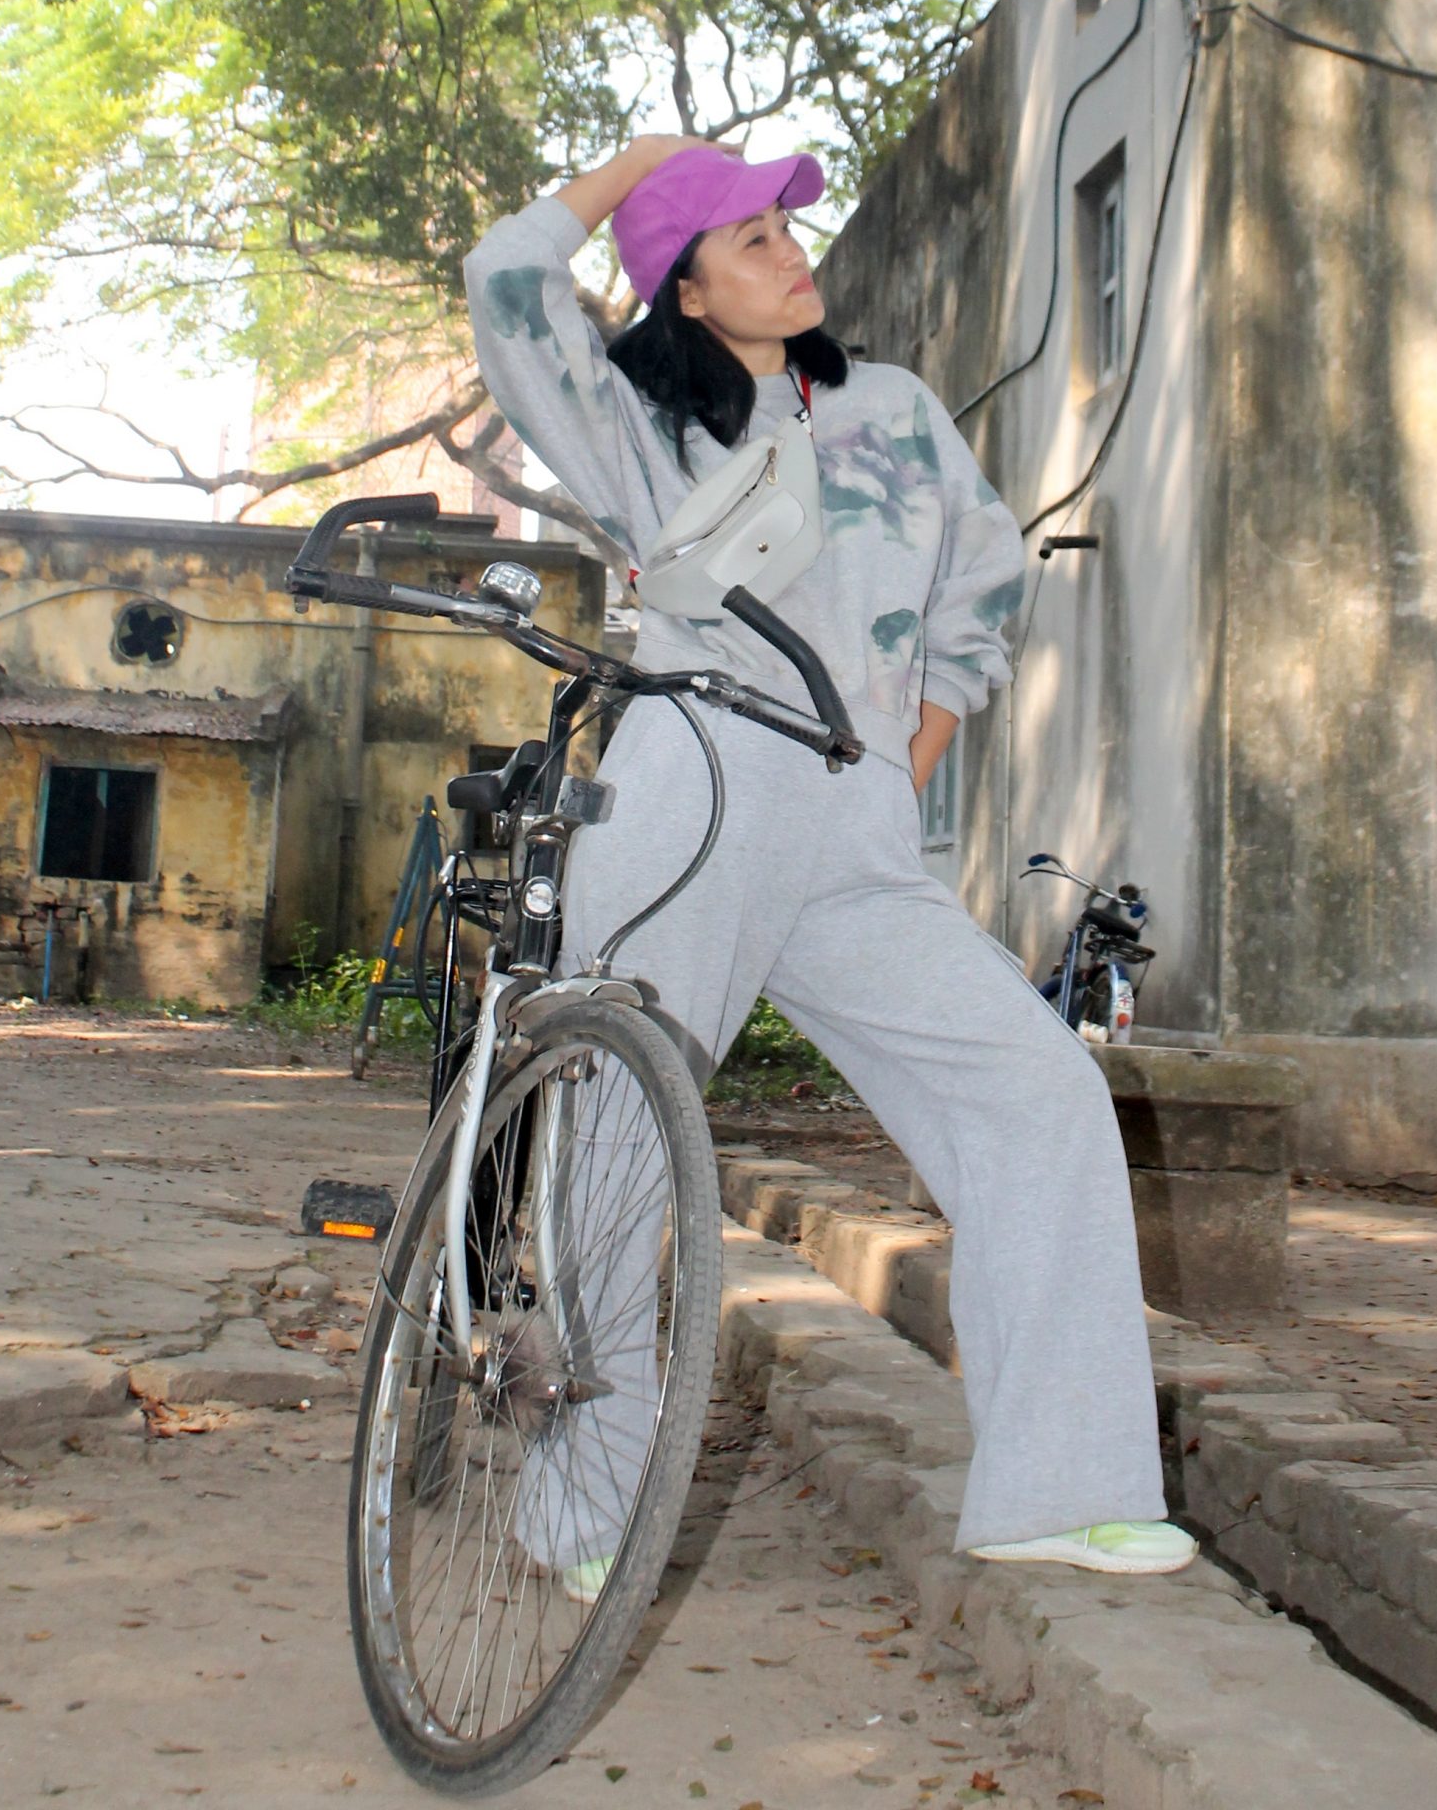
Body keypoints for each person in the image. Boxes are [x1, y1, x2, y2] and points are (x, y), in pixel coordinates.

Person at [463, 134, 1195, 1578]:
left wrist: (895, 765)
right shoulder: (630, 420)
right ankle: (579, 1518)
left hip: (849, 816)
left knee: (1033, 1093)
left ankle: (1063, 1491)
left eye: (786, 229)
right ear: (679, 287)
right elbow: (505, 281)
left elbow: (976, 593)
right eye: (745, 240)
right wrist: (634, 166)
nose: (789, 254)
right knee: (619, 1131)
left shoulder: (897, 412)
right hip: (689, 786)